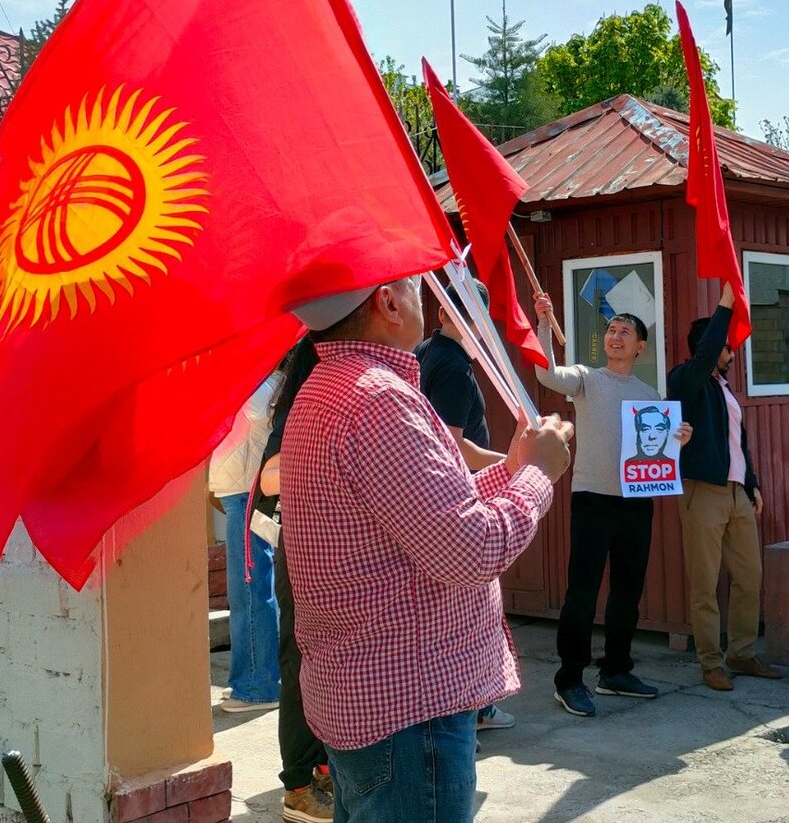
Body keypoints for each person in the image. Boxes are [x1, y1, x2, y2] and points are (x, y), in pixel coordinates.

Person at [279, 278, 573, 822]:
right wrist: (536, 477)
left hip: (369, 698)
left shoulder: (330, 388)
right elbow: (470, 549)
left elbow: (427, 516)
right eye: (415, 288)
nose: (428, 301)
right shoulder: (378, 399)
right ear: (387, 303)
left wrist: (511, 471)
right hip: (409, 711)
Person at [534, 293, 675, 717]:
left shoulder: (650, 394)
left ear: (640, 347)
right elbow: (546, 373)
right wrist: (544, 324)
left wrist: (677, 438)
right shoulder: (586, 379)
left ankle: (615, 670)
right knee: (584, 590)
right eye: (611, 331)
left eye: (625, 332)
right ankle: (570, 679)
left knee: (628, 591)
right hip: (593, 498)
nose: (615, 336)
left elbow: (656, 451)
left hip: (636, 501)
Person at [413, 277, 516, 732]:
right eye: (465, 311)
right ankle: (471, 709)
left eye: (479, 312)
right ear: (443, 315)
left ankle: (478, 705)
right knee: (471, 614)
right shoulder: (452, 366)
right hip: (458, 502)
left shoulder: (426, 353)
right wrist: (520, 464)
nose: (475, 321)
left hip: (431, 501)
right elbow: (453, 448)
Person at [668, 282, 781, 691]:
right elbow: (702, 360)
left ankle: (743, 653)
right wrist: (725, 306)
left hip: (736, 494)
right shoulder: (686, 379)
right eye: (726, 346)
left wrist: (751, 484)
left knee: (749, 577)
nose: (732, 352)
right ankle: (710, 662)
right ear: (710, 347)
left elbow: (738, 442)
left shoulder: (725, 389)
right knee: (705, 583)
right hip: (703, 492)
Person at [254, 337, 333, 823]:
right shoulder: (302, 409)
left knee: (328, 664)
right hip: (303, 552)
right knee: (300, 663)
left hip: (331, 559)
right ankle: (300, 785)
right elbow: (268, 479)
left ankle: (325, 770)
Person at [210, 375, 282, 713]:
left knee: (250, 590)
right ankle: (253, 677)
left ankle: (258, 685)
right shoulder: (259, 374)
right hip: (235, 490)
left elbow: (254, 408)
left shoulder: (263, 376)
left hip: (246, 491)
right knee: (246, 591)